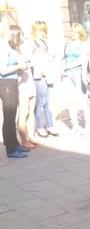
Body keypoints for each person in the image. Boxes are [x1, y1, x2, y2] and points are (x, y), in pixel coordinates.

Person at [0, 22, 31, 158]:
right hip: (6, 83)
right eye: (21, 36)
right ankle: (11, 150)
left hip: (11, 83)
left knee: (12, 116)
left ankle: (15, 144)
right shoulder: (3, 47)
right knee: (9, 117)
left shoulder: (8, 47)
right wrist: (20, 66)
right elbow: (3, 69)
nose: (22, 39)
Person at [10, 25, 38, 148]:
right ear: (15, 35)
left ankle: (31, 137)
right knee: (23, 113)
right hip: (21, 85)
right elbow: (15, 68)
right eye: (21, 34)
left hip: (30, 81)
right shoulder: (11, 52)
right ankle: (24, 140)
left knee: (32, 111)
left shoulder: (22, 48)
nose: (23, 37)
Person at [30, 21, 59, 137]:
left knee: (48, 103)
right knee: (40, 103)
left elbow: (51, 58)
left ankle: (50, 125)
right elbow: (31, 60)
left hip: (48, 76)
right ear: (34, 31)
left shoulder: (46, 43)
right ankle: (40, 127)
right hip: (39, 76)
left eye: (43, 30)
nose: (41, 33)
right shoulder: (33, 44)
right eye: (38, 30)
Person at [62, 23, 90, 133]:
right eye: (72, 32)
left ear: (80, 33)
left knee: (83, 99)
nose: (73, 34)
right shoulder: (67, 44)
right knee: (71, 100)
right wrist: (62, 70)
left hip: (78, 73)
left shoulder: (83, 44)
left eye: (76, 32)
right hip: (68, 75)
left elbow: (83, 60)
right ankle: (75, 124)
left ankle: (88, 124)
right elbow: (63, 58)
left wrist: (68, 67)